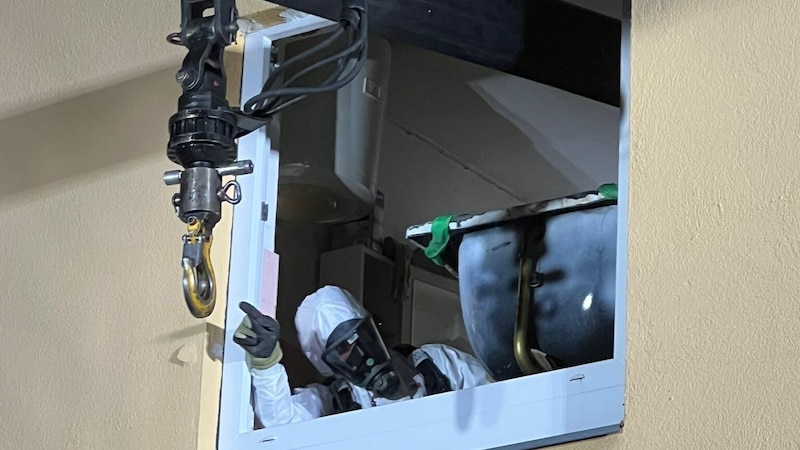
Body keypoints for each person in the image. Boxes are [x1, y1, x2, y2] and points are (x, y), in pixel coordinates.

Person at [233, 285, 494, 428]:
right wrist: (266, 363)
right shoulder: (337, 402)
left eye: (361, 339)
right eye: (345, 352)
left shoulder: (437, 365)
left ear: (374, 331)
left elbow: (495, 404)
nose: (363, 357)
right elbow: (280, 422)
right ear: (331, 367)